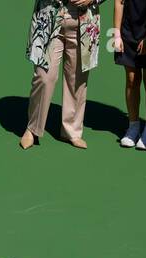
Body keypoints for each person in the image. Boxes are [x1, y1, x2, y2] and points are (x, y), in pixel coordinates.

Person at [22, 0, 104, 150]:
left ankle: (72, 131)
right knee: (44, 77)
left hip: (84, 21)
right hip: (49, 20)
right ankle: (32, 128)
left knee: (77, 79)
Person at [112, 0, 146, 150]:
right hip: (128, 31)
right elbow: (119, 3)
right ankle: (133, 127)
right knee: (131, 79)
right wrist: (117, 35)